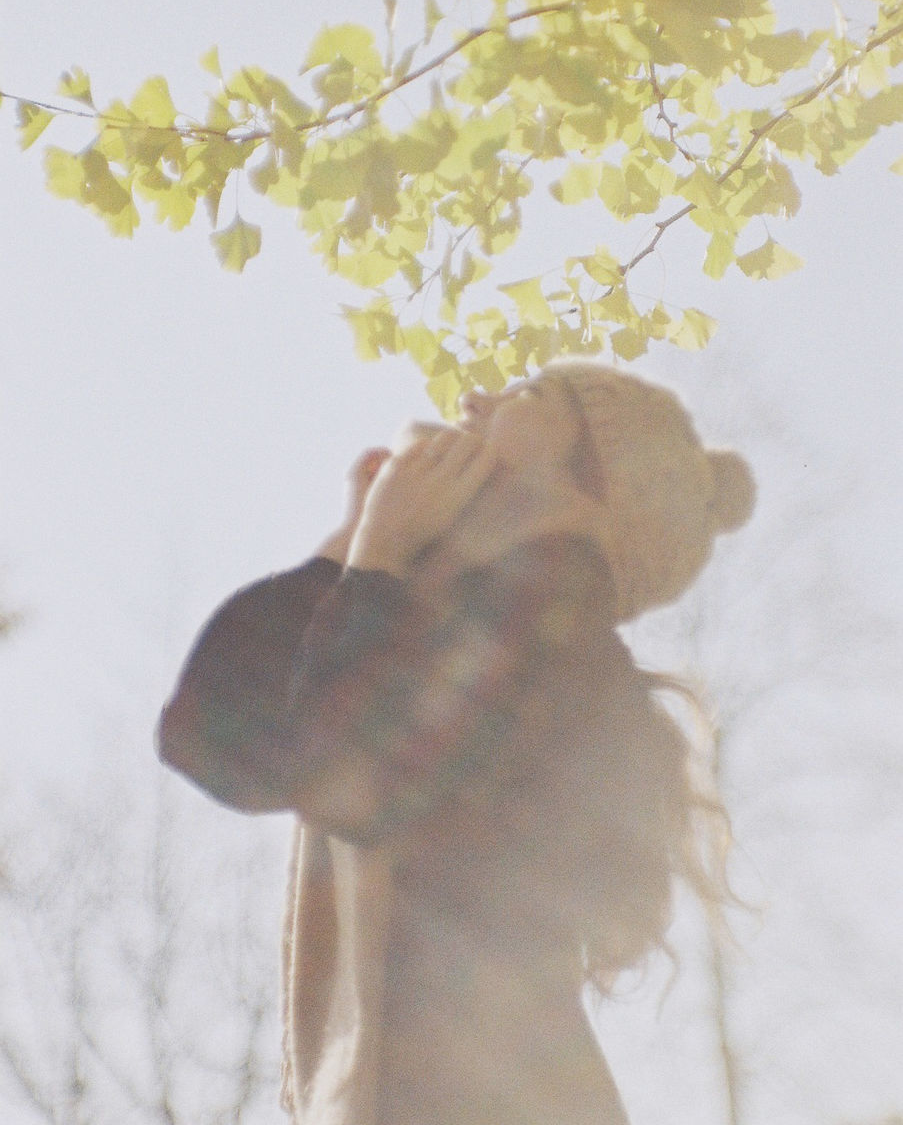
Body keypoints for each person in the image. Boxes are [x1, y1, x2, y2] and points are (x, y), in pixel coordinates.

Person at [156, 360, 755, 1125]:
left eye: (527, 396)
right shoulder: (446, 616)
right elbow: (209, 744)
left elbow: (346, 775)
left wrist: (373, 562)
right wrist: (343, 555)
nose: (475, 396)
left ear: (587, 485)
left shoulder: (554, 643)